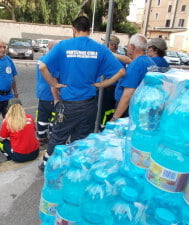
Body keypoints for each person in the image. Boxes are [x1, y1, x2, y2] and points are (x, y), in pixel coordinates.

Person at [38, 16, 126, 170]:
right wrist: (102, 84)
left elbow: (42, 66)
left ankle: (47, 166)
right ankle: (74, 169)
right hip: (89, 105)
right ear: (89, 31)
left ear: (74, 29)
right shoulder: (100, 49)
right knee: (81, 139)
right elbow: (121, 71)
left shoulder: (63, 46)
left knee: (58, 136)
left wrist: (53, 83)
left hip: (68, 105)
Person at [112, 34, 157, 120]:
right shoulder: (150, 62)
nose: (127, 49)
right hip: (142, 109)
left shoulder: (136, 65)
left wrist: (114, 118)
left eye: (127, 46)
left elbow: (127, 95)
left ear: (132, 47)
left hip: (128, 110)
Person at [0, 98, 40, 163]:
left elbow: (1, 138)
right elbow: (33, 130)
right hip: (35, 153)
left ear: (9, 109)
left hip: (19, 157)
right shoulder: (29, 117)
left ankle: (9, 157)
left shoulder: (7, 121)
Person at [35, 40, 59, 146]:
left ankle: (42, 137)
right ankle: (52, 138)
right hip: (51, 95)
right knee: (54, 117)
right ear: (51, 48)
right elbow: (53, 81)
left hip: (42, 94)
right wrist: (56, 98)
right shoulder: (54, 61)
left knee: (42, 117)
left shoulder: (41, 59)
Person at [100, 35, 126, 128]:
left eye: (105, 42)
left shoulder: (117, 58)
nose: (102, 44)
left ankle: (102, 127)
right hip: (106, 88)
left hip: (108, 89)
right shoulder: (118, 57)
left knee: (105, 110)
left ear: (112, 45)